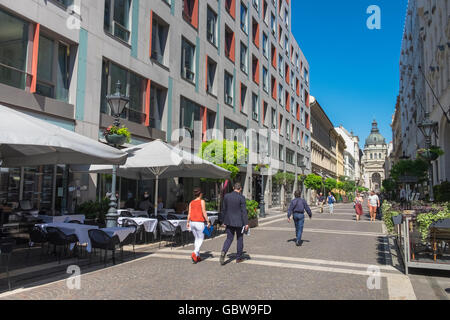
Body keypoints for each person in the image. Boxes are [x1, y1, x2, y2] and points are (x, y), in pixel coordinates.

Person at [219, 183, 248, 265]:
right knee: (239, 239)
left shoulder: (227, 196)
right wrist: (246, 223)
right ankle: (238, 258)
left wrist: (223, 221)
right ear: (240, 189)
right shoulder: (241, 197)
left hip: (229, 221)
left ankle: (223, 252)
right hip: (239, 222)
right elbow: (244, 211)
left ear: (233, 188)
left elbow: (224, 209)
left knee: (229, 238)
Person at [186, 188, 211, 264]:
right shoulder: (202, 201)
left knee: (196, 238)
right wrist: (208, 221)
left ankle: (197, 256)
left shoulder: (191, 202)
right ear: (200, 194)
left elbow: (189, 213)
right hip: (199, 222)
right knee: (200, 238)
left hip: (192, 222)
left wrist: (187, 222)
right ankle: (195, 252)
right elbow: (204, 211)